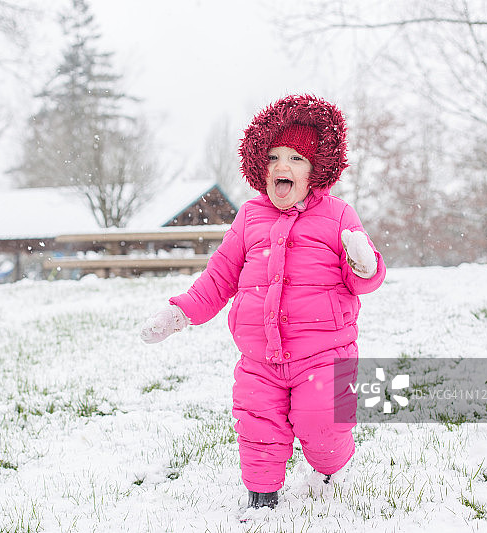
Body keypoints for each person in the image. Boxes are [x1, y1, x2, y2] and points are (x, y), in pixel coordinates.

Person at [139, 94, 386, 510]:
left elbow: (363, 280)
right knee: (258, 427)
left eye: (295, 159)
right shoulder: (250, 217)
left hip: (323, 355)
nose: (282, 167)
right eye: (274, 157)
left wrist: (363, 264)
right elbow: (219, 277)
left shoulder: (339, 216)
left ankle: (328, 471)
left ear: (316, 171)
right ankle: (262, 500)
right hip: (259, 358)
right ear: (262, 167)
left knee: (322, 425)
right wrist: (181, 311)